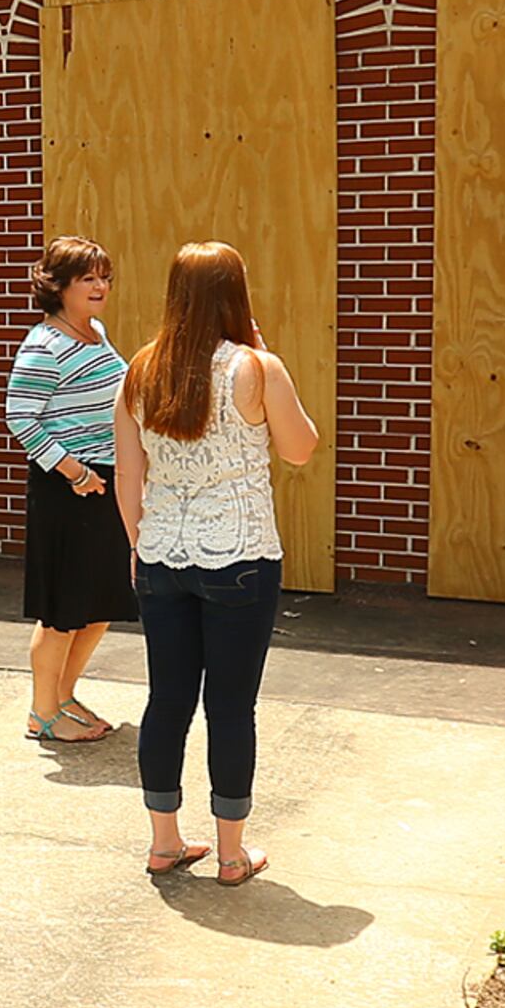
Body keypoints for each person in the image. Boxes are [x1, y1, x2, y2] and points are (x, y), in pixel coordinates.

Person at [112, 242, 318, 886]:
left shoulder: (141, 369)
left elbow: (128, 471)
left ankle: (164, 842)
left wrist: (138, 546)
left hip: (162, 555)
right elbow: (301, 449)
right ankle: (232, 854)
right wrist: (263, 350)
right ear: (237, 294)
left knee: (167, 699)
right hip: (241, 556)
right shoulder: (257, 367)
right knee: (231, 705)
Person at [6, 234, 131, 742]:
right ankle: (43, 713)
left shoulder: (94, 332)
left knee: (99, 604)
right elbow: (21, 418)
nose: (100, 286)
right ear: (58, 287)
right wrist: (75, 472)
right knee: (62, 611)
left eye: (104, 276)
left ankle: (63, 694)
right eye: (88, 279)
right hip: (68, 492)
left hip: (103, 486)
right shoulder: (45, 345)